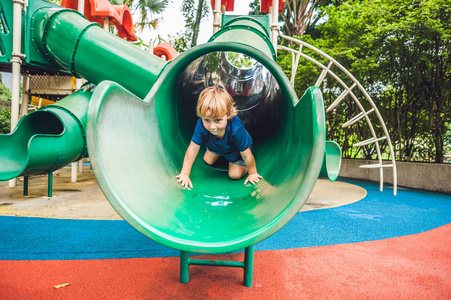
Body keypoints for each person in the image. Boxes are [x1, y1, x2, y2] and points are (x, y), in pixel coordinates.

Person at [176, 86, 262, 189]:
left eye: (218, 120)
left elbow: (246, 154)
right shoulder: (201, 125)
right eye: (207, 120)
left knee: (234, 174)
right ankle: (223, 155)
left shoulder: (236, 129)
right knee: (207, 160)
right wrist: (185, 173)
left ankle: (237, 164)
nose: (212, 126)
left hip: (237, 153)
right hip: (218, 147)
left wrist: (252, 173)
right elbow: (193, 148)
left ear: (229, 114)